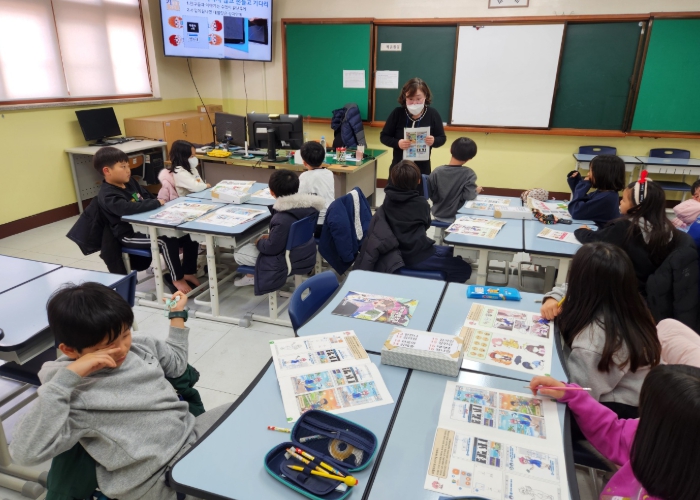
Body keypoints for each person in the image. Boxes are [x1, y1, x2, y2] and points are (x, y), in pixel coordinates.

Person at [9, 283, 231, 500]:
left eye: (125, 334)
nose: (122, 348)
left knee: (245, 414)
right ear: (69, 350)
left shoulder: (140, 346)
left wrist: (177, 315)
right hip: (161, 478)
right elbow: (24, 453)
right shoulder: (75, 394)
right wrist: (66, 379)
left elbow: (177, 365)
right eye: (107, 346)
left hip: (189, 436)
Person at [530, 364, 700, 500]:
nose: (640, 420)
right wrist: (573, 394)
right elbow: (612, 430)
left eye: (647, 415)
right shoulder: (648, 437)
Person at [540, 243, 661, 425]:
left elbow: (580, 398)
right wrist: (554, 298)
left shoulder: (594, 342)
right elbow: (569, 288)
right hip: (642, 393)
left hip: (619, 412)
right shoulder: (628, 302)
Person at [95, 147, 200, 293]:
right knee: (165, 240)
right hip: (128, 234)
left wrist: (157, 205)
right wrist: (155, 203)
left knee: (188, 234)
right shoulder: (107, 194)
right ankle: (177, 278)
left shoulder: (130, 182)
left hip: (148, 225)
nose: (128, 170)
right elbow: (127, 208)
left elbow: (146, 196)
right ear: (107, 171)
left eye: (128, 166)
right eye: (123, 167)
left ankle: (188, 271)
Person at [574, 174, 680, 294]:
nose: (620, 202)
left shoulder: (625, 227)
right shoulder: (667, 228)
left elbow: (595, 240)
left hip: (624, 287)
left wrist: (582, 231)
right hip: (651, 289)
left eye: (624, 200)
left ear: (637, 207)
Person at [233, 169, 324, 294]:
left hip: (285, 260)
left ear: (271, 192)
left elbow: (271, 248)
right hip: (305, 253)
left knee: (238, 252)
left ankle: (253, 277)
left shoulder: (282, 218)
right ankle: (252, 276)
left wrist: (259, 242)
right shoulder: (309, 207)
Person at [382, 160, 471, 283]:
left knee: (452, 252)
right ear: (418, 181)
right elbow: (426, 225)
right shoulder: (421, 203)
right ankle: (440, 290)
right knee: (464, 269)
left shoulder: (387, 200)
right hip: (415, 255)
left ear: (393, 179)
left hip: (394, 253)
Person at [380, 77, 447, 176]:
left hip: (422, 169)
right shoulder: (397, 113)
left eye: (418, 99)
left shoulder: (432, 114)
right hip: (399, 168)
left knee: (421, 186)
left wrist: (434, 141)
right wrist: (398, 143)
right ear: (405, 97)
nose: (414, 103)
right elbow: (384, 137)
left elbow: (442, 138)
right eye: (410, 99)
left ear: (425, 96)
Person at [428, 137, 481, 223]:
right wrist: (476, 191)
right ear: (469, 159)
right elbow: (469, 196)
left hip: (438, 213)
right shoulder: (469, 174)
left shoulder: (437, 171)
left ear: (450, 150)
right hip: (458, 215)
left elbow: (430, 192)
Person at [566, 154, 625, 225]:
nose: (588, 174)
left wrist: (583, 186)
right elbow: (584, 201)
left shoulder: (607, 197)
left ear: (601, 174)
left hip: (600, 231)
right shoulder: (603, 192)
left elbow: (576, 211)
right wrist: (576, 183)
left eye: (591, 171)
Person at [298, 141, 335, 236]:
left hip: (317, 224)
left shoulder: (304, 177)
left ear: (304, 162)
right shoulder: (329, 173)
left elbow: (299, 201)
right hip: (330, 219)